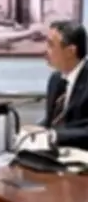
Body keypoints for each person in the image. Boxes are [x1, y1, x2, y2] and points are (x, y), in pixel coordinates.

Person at [36, 20, 88, 148]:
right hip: (55, 154)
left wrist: (55, 136)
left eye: (51, 45)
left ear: (70, 51)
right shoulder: (55, 80)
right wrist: (33, 131)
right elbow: (52, 121)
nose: (45, 50)